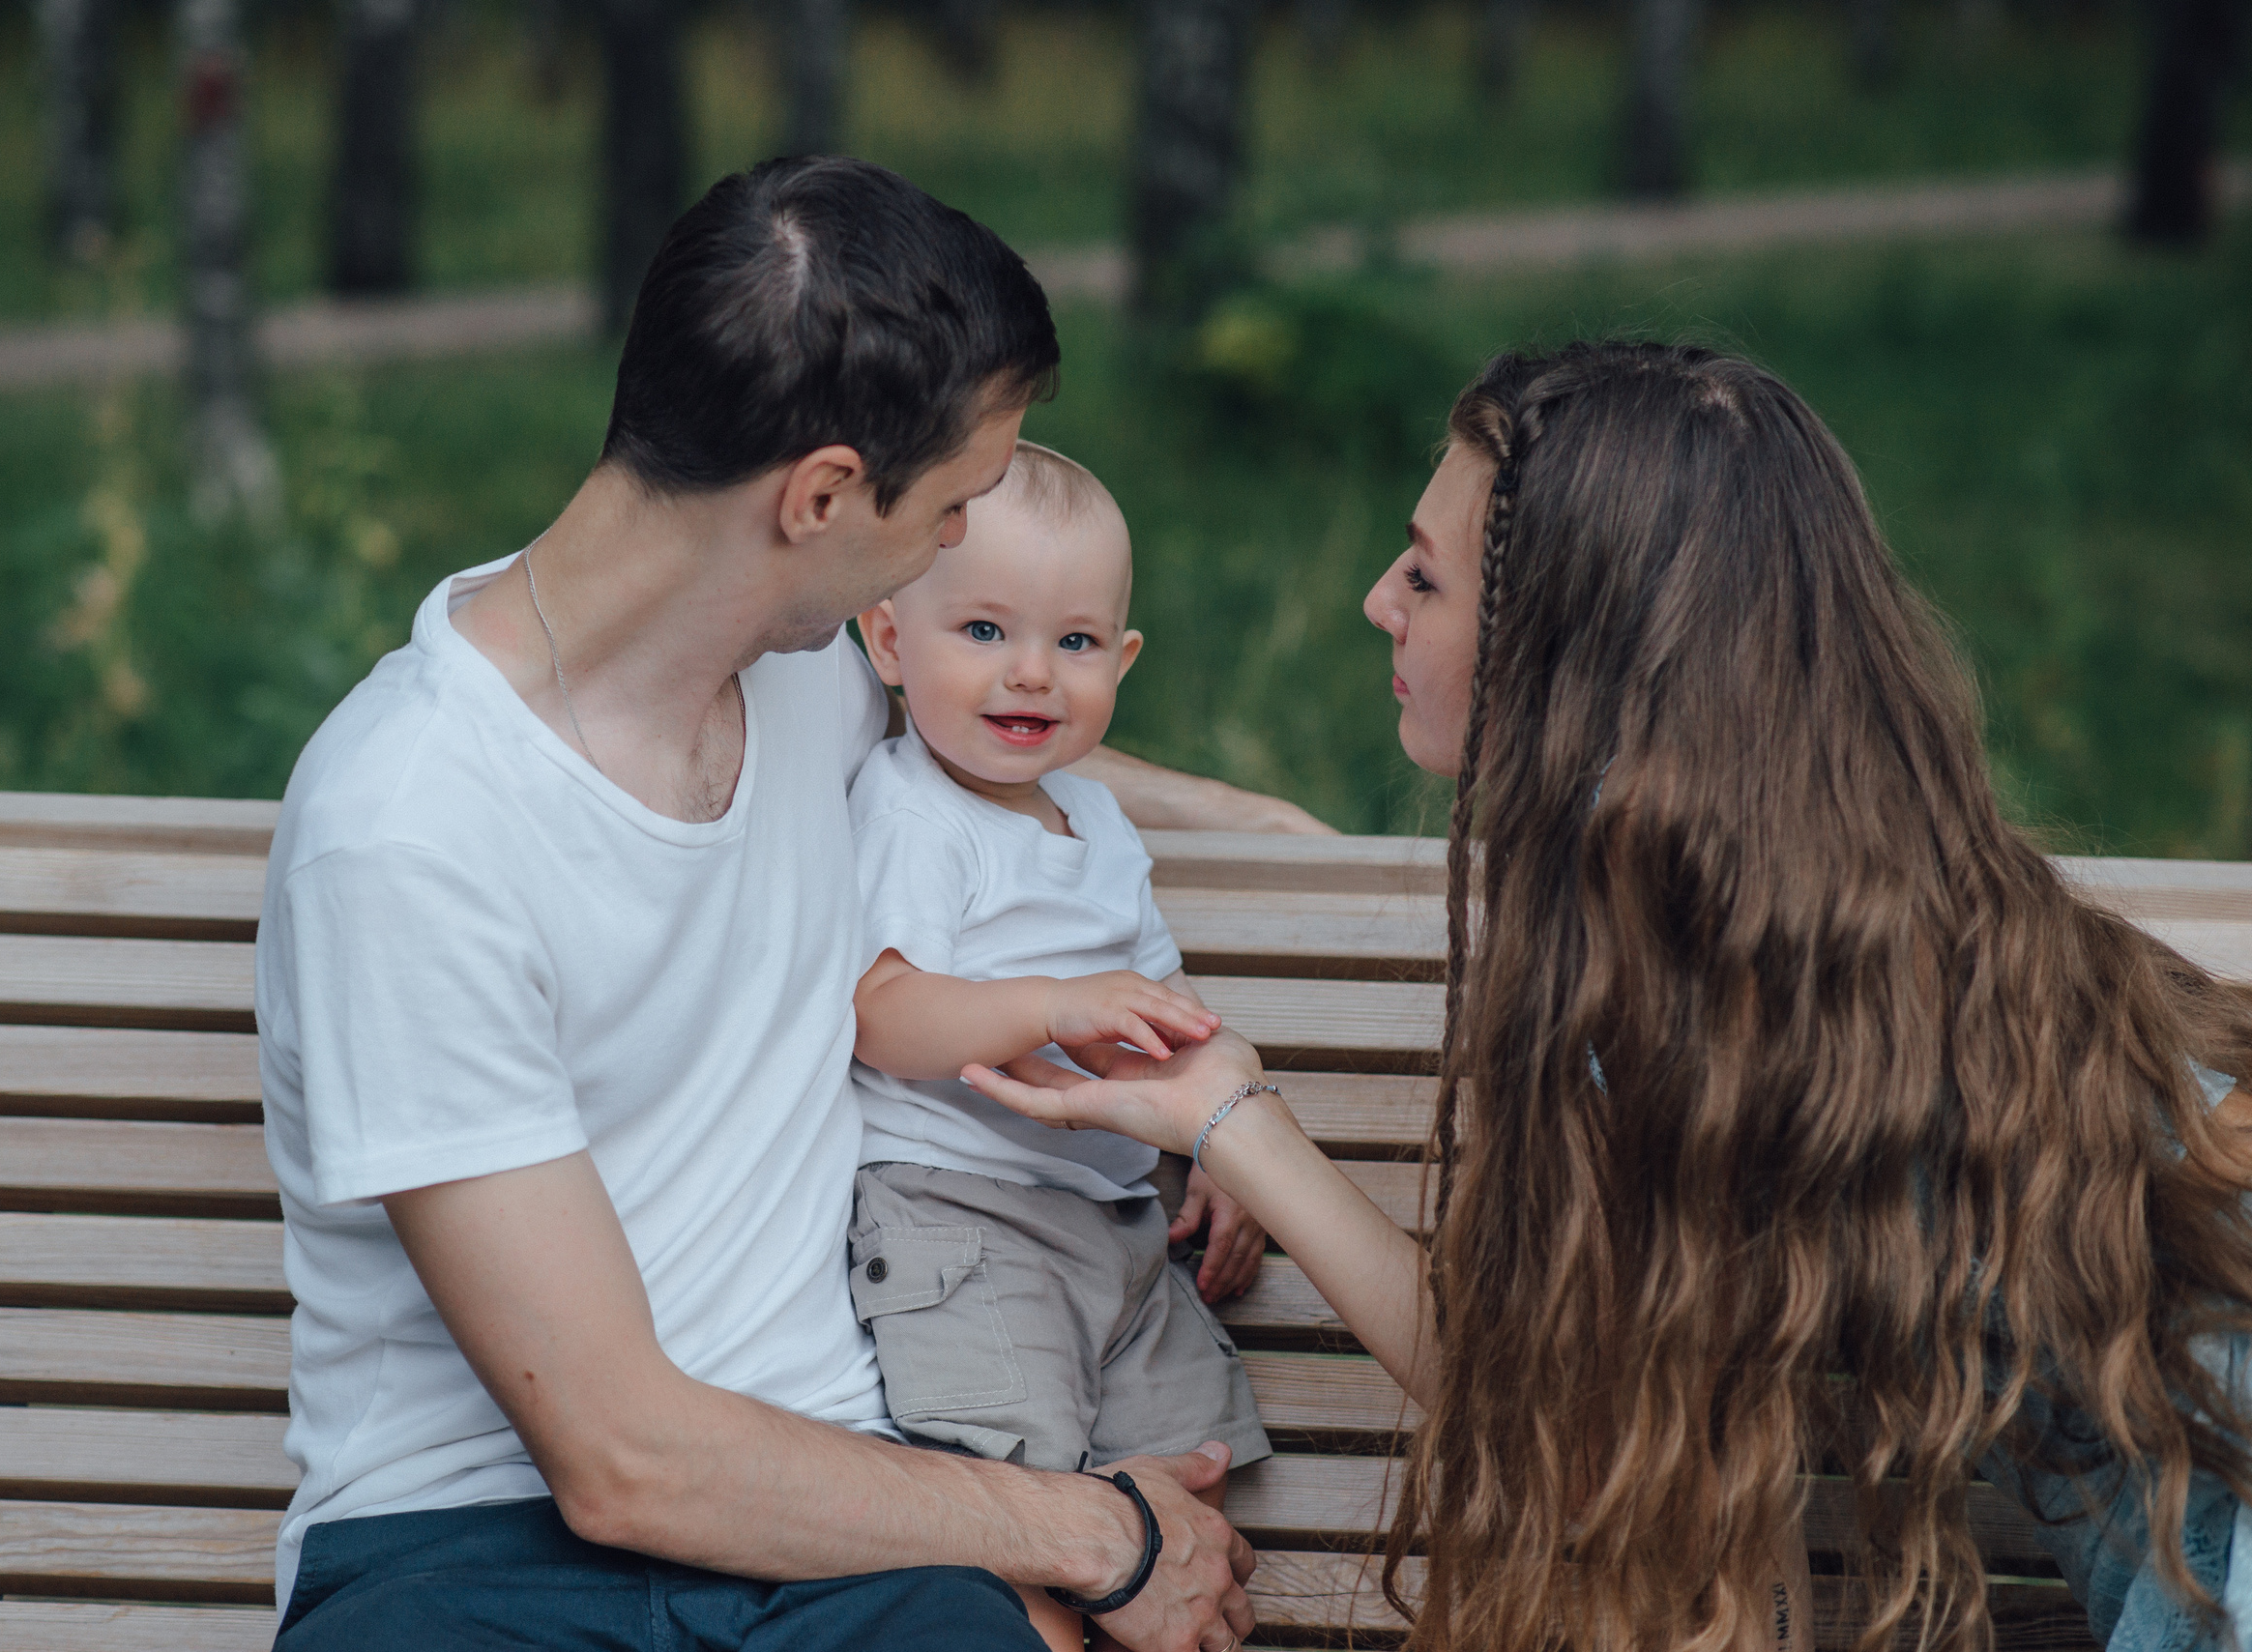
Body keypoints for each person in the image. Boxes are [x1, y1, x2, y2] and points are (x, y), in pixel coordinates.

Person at [964, 340, 2252, 1652]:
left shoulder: (1671, 971)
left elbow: (1561, 1434)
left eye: (1424, 572)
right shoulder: (1807, 865)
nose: (1375, 601)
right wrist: (1160, 793)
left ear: (1556, 645)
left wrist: (1234, 1119)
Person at [256, 156, 1307, 1652]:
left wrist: (1237, 817)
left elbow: (998, 725)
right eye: (950, 505)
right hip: (467, 1554)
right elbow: (622, 1461)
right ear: (820, 495)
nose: (955, 549)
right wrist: (1097, 1531)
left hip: (849, 1531)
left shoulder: (807, 667)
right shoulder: (412, 830)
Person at [845, 441, 1275, 1651]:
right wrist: (1048, 1003)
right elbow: (882, 1013)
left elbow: (1164, 1003)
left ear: (1121, 661)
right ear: (888, 641)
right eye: (982, 630)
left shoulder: (1093, 813)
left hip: (1121, 1230)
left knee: (1190, 1477)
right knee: (1019, 1519)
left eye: (1075, 643)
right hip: (962, 1220)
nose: (1031, 671)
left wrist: (1231, 1149)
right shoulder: (909, 811)